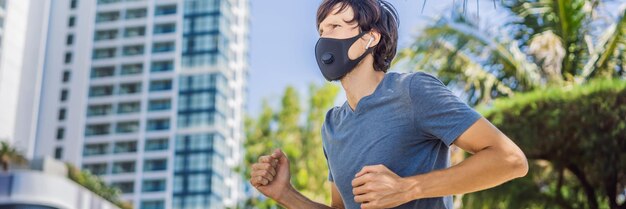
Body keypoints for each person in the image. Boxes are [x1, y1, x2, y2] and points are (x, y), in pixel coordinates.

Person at [249, 0, 528, 208]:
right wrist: (286, 194)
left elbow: (510, 160)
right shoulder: (332, 125)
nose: (324, 40)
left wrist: (407, 188)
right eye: (321, 30)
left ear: (370, 38)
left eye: (335, 26)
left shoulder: (412, 91)